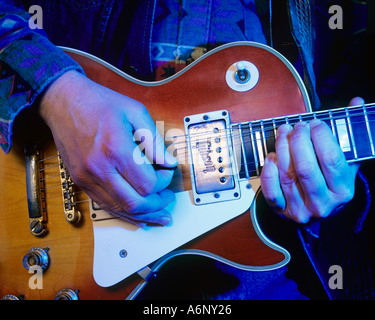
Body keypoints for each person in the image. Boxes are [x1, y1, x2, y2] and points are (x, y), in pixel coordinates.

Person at [0, 0, 373, 299]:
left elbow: (338, 101)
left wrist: (330, 181)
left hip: (251, 261)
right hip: (33, 163)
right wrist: (59, 94)